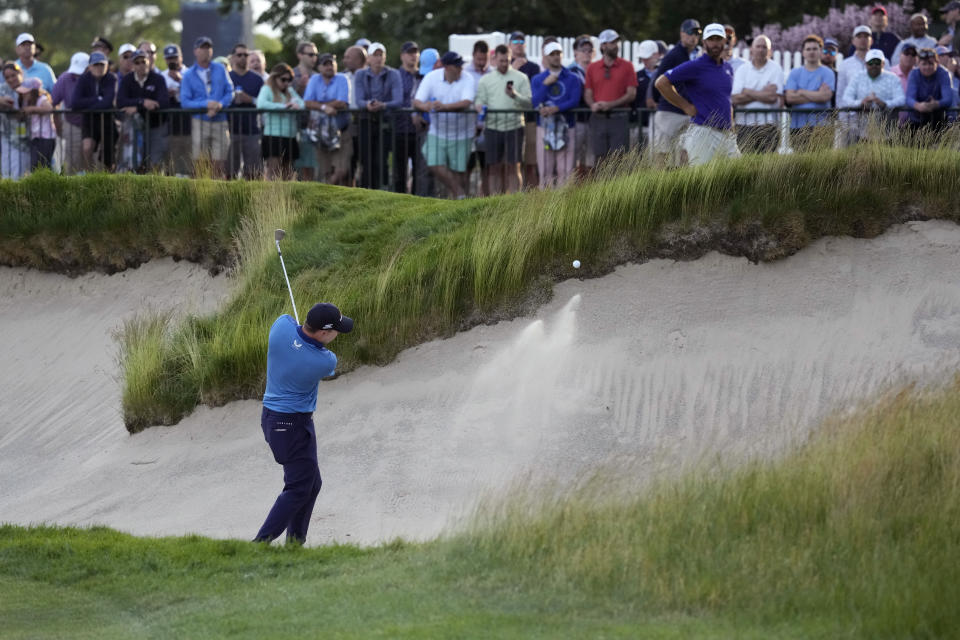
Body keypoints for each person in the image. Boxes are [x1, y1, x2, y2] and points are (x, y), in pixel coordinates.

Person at [253, 302, 354, 546]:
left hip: (275, 419)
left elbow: (291, 323)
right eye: (336, 330)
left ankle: (295, 543)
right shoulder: (323, 362)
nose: (338, 334)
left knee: (312, 483)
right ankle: (260, 544)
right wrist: (308, 345)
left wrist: (302, 338)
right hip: (290, 425)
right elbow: (324, 356)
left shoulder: (279, 328)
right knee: (299, 487)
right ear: (323, 332)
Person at [656, 23, 740, 166]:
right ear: (704, 42)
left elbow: (726, 99)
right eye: (711, 39)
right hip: (703, 132)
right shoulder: (695, 66)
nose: (715, 43)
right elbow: (661, 82)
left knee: (738, 174)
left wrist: (731, 123)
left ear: (725, 41)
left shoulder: (728, 68)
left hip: (726, 134)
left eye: (718, 39)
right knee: (702, 182)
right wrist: (686, 106)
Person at [413, 51, 476, 199]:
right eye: (457, 66)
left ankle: (458, 204)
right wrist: (426, 106)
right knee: (433, 162)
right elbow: (417, 101)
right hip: (437, 131)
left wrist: (445, 107)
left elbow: (467, 102)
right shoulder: (431, 77)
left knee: (459, 171)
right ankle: (459, 193)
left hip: (462, 133)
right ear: (447, 67)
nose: (461, 69)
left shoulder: (467, 78)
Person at [475, 44, 531, 194]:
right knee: (493, 166)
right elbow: (479, 100)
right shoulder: (486, 80)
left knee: (514, 165)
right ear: (495, 59)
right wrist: (479, 106)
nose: (504, 64)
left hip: (515, 126)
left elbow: (529, 103)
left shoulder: (521, 78)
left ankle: (514, 201)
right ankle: (495, 200)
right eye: (501, 61)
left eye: (507, 60)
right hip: (493, 127)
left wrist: (514, 95)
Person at [181, 36, 234, 177]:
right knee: (200, 164)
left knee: (219, 165)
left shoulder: (221, 69)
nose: (206, 50)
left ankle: (217, 195)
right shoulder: (188, 75)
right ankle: (200, 195)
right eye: (202, 47)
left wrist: (220, 105)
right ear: (195, 51)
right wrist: (206, 104)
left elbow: (230, 92)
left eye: (208, 47)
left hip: (220, 121)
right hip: (200, 121)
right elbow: (185, 102)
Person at [532, 41, 581, 187]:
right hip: (545, 128)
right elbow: (534, 102)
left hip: (567, 127)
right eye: (552, 54)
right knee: (545, 170)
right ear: (546, 57)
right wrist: (545, 85)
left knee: (565, 170)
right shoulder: (538, 79)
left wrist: (556, 108)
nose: (555, 57)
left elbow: (574, 100)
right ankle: (544, 206)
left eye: (558, 54)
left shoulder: (572, 78)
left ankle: (565, 205)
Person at [584, 29, 637, 165]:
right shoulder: (592, 68)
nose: (616, 45)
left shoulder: (627, 66)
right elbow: (588, 93)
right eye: (612, 42)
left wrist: (610, 104)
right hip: (598, 118)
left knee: (618, 161)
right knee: (599, 160)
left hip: (619, 118)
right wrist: (592, 105)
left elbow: (631, 94)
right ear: (603, 46)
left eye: (616, 42)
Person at [652, 19, 701, 165]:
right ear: (682, 34)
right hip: (669, 113)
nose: (694, 37)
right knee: (663, 155)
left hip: (687, 113)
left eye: (697, 33)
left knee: (686, 155)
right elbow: (657, 81)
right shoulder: (673, 55)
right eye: (690, 32)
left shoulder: (696, 55)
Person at [355, 42, 402, 190]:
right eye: (374, 55)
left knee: (381, 160)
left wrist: (383, 105)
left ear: (385, 57)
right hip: (366, 122)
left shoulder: (393, 74)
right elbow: (359, 100)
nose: (378, 58)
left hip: (385, 123)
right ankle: (366, 192)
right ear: (368, 58)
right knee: (366, 160)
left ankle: (383, 191)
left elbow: (398, 100)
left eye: (381, 55)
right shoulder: (360, 74)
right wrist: (368, 105)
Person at [117, 48, 170, 171]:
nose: (141, 65)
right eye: (137, 62)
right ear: (133, 65)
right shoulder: (127, 80)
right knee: (134, 163)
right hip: (135, 128)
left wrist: (136, 107)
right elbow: (120, 101)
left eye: (143, 61)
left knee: (155, 163)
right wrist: (142, 103)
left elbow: (163, 102)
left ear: (149, 62)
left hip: (156, 126)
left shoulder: (158, 79)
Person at [304, 53, 351, 185]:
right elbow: (307, 102)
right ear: (319, 67)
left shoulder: (342, 78)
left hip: (341, 131)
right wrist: (325, 108)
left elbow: (342, 102)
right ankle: (328, 195)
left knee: (342, 170)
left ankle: (325, 188)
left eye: (332, 64)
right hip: (320, 132)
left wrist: (319, 105)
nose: (330, 67)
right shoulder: (314, 79)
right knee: (325, 170)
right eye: (326, 64)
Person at [731, 35, 783, 153]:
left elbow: (774, 98)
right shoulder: (742, 69)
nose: (760, 49)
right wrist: (764, 93)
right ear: (751, 49)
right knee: (746, 163)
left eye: (764, 47)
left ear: (769, 51)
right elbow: (735, 99)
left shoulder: (776, 68)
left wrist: (747, 91)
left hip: (769, 126)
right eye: (758, 46)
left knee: (767, 165)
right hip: (744, 125)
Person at [840, 49, 905, 142]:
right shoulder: (857, 77)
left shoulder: (893, 78)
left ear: (883, 64)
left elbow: (901, 99)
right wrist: (861, 103)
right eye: (871, 62)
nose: (874, 65)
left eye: (877, 62)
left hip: (887, 132)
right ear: (866, 64)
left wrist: (884, 104)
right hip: (861, 132)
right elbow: (846, 99)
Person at [785, 35, 836, 152]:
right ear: (803, 52)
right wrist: (816, 95)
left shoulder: (828, 73)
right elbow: (789, 98)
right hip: (797, 126)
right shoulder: (795, 73)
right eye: (808, 49)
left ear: (820, 51)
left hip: (822, 126)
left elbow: (825, 97)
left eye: (814, 49)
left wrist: (801, 92)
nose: (811, 52)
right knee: (801, 165)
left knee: (822, 164)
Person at [256, 63, 304, 180]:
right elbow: (261, 104)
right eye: (283, 79)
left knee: (288, 171)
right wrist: (283, 106)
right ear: (275, 77)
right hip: (273, 135)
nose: (286, 83)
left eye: (289, 80)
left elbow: (302, 104)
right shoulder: (267, 89)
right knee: (273, 169)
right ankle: (269, 197)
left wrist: (295, 105)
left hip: (290, 135)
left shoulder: (290, 90)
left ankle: (285, 197)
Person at [72, 51, 119, 171]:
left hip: (107, 121)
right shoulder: (83, 79)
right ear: (90, 67)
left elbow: (108, 102)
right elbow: (75, 103)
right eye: (96, 65)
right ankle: (91, 176)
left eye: (102, 65)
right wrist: (97, 99)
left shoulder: (111, 78)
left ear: (107, 66)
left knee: (108, 159)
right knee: (87, 148)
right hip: (90, 119)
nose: (99, 68)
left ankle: (109, 181)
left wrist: (87, 106)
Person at [507, 31, 541, 186]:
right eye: (515, 42)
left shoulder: (533, 67)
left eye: (522, 42)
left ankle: (533, 198)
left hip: (529, 121)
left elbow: (533, 94)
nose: (519, 45)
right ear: (509, 45)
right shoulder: (504, 67)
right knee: (511, 164)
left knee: (530, 163)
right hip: (508, 120)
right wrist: (512, 69)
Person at [228, 43, 264, 179]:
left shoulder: (257, 79)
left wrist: (250, 100)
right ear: (233, 57)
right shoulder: (227, 77)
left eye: (246, 55)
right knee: (230, 172)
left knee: (254, 173)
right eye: (240, 55)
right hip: (230, 130)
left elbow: (263, 102)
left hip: (252, 130)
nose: (243, 57)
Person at [50, 52, 89, 175]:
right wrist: (57, 124)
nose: (77, 75)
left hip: (94, 125)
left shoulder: (95, 77)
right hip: (73, 124)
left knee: (94, 165)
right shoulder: (65, 78)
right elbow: (53, 101)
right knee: (72, 164)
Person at [394, 41, 423, 194]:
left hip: (419, 130)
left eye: (416, 52)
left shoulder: (423, 74)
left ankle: (416, 201)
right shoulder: (395, 75)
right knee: (400, 171)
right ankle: (398, 201)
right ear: (402, 56)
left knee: (419, 171)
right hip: (401, 129)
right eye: (410, 52)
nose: (414, 55)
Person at [905, 47, 954, 135]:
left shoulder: (944, 73)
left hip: (939, 120)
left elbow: (948, 99)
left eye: (931, 64)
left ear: (937, 63)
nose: (927, 67)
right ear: (918, 64)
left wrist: (936, 104)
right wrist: (918, 106)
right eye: (924, 64)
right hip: (917, 120)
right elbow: (909, 98)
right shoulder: (914, 73)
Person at [160, 44, 192, 176]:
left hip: (187, 122)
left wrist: (180, 81)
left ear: (181, 57)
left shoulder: (190, 73)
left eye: (174, 57)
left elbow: (195, 91)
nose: (172, 61)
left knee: (187, 155)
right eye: (169, 58)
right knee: (170, 158)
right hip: (169, 123)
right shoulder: (161, 76)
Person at [13, 77, 55, 171]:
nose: (23, 94)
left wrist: (33, 109)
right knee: (35, 165)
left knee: (42, 165)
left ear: (34, 91)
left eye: (26, 92)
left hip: (45, 137)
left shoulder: (42, 99)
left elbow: (49, 108)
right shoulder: (26, 102)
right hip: (34, 137)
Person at [292, 41, 320, 181]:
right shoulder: (290, 75)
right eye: (310, 54)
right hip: (293, 128)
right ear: (300, 55)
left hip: (313, 127)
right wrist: (300, 87)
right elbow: (285, 98)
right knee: (294, 169)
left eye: (315, 55)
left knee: (311, 168)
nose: (314, 57)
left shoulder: (317, 76)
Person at [569, 34, 595, 173]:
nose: (587, 53)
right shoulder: (570, 72)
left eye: (589, 50)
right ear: (575, 53)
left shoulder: (597, 70)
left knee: (591, 159)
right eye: (583, 50)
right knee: (573, 158)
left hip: (593, 120)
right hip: (576, 121)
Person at [0, 63, 31, 178]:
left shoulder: (29, 87)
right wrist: (2, 101)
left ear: (20, 73)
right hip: (6, 136)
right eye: (7, 77)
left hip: (25, 138)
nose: (11, 79)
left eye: (13, 75)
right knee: (6, 170)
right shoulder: (2, 89)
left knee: (19, 171)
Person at [838, 26, 881, 105]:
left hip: (877, 114)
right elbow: (840, 94)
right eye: (859, 36)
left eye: (866, 36)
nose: (863, 39)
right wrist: (842, 116)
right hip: (853, 114)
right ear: (853, 41)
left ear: (871, 40)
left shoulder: (883, 62)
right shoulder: (845, 64)